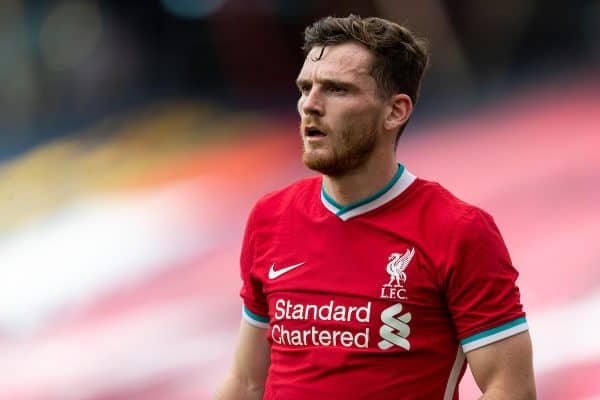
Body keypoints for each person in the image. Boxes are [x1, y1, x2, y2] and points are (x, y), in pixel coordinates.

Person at [216, 15, 536, 400]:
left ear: (395, 111)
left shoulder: (458, 230)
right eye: (305, 88)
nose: (309, 106)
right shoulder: (270, 217)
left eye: (336, 90)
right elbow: (246, 382)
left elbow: (511, 387)